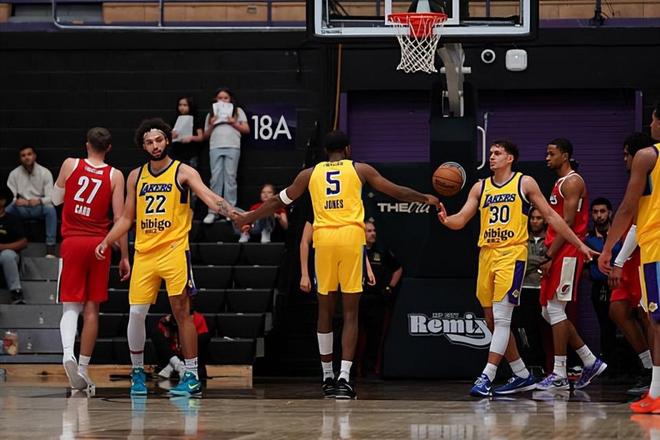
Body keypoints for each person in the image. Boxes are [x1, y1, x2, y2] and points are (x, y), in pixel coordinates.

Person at [237, 129, 438, 399]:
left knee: (325, 311)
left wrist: (248, 217)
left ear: (325, 152)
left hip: (324, 240)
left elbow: (277, 200)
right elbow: (397, 191)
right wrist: (426, 198)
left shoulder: (309, 174)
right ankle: (344, 378)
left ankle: (327, 377)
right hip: (350, 239)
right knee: (351, 313)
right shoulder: (360, 169)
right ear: (348, 150)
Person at [436, 140, 596, 397]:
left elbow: (552, 216)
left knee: (502, 319)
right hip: (486, 254)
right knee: (491, 321)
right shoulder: (480, 186)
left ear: (510, 158)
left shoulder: (524, 182)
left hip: (512, 254)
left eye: (497, 153)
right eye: (490, 153)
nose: (492, 157)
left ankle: (486, 377)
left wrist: (579, 244)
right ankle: (521, 374)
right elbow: (462, 218)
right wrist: (447, 220)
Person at [94, 117, 236, 397]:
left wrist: (234, 214)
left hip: (173, 251)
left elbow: (209, 197)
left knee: (182, 313)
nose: (155, 145)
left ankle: (191, 375)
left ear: (167, 140)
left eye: (159, 140)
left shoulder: (183, 171)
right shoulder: (136, 176)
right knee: (136, 314)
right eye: (149, 142)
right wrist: (107, 240)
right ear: (143, 146)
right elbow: (126, 218)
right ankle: (137, 373)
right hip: (144, 253)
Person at [52, 127, 131, 391]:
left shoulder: (70, 164)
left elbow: (55, 199)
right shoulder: (115, 175)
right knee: (92, 309)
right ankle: (83, 369)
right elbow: (120, 218)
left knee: (70, 305)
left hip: (73, 242)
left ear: (87, 145)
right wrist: (124, 255)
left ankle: (68, 354)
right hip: (100, 245)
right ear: (109, 148)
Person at [599, 104, 660, 413]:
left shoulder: (648, 155)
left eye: (653, 119)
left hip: (656, 246)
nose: (650, 124)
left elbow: (627, 208)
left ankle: (657, 392)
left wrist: (609, 250)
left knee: (656, 320)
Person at [537, 138, 606, 391]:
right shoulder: (560, 182)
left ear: (565, 156)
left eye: (551, 153)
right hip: (559, 250)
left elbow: (566, 223)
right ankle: (589, 360)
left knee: (555, 309)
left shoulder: (573, 182)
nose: (547, 158)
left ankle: (559, 373)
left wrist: (550, 255)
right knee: (548, 311)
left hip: (567, 252)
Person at [607, 132, 655, 396]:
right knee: (617, 310)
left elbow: (635, 223)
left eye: (626, 154)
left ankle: (654, 377)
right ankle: (648, 367)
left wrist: (616, 259)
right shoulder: (639, 173)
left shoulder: (648, 165)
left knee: (649, 315)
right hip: (630, 253)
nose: (624, 159)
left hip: (641, 252)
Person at [358, 220, 402, 376]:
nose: (373, 234)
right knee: (353, 335)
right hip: (357, 299)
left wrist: (390, 287)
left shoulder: (382, 251)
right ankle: (349, 369)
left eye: (374, 230)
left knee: (374, 336)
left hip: (376, 299)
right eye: (369, 231)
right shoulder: (355, 250)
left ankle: (369, 369)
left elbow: (398, 268)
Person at [202, 87, 250, 224]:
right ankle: (213, 211)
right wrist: (212, 124)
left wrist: (233, 122)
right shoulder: (211, 113)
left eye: (225, 98)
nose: (222, 100)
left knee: (230, 178)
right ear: (215, 100)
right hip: (215, 146)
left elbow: (246, 129)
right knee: (215, 179)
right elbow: (205, 135)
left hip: (232, 146)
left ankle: (230, 211)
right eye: (220, 98)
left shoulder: (237, 111)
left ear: (230, 100)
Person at [584, 197, 620, 367]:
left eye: (602, 211)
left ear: (610, 213)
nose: (599, 215)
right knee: (604, 325)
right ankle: (608, 365)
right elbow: (583, 267)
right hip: (599, 288)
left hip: (621, 286)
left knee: (625, 324)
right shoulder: (587, 239)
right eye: (595, 212)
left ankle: (632, 365)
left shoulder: (620, 235)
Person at [6, 146, 57, 257]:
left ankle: (50, 247)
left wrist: (39, 201)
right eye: (23, 155)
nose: (26, 157)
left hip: (38, 207)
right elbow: (10, 197)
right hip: (21, 208)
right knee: (6, 210)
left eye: (29, 154)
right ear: (20, 159)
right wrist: (18, 201)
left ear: (34, 156)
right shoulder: (14, 174)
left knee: (50, 209)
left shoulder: (45, 172)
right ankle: (6, 242)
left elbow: (51, 197)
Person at [513, 207, 547, 371]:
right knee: (527, 328)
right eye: (532, 218)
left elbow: (552, 261)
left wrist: (533, 261)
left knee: (546, 328)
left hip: (544, 288)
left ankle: (549, 365)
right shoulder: (522, 237)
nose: (535, 221)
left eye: (539, 218)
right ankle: (533, 365)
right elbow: (520, 261)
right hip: (525, 288)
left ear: (545, 220)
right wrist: (540, 261)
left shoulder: (550, 239)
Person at [153, 308, 210, 381]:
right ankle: (176, 364)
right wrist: (167, 329)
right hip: (171, 357)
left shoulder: (197, 318)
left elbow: (203, 341)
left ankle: (182, 368)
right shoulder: (166, 320)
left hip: (189, 358)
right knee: (156, 333)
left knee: (203, 337)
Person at [0, 184, 27, 304]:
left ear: (3, 201)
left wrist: (3, 247)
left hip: (9, 255)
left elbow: (23, 243)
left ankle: (16, 292)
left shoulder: (12, 219)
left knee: (7, 255)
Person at [171, 96, 205, 169]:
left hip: (191, 153)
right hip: (177, 152)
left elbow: (201, 137)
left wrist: (191, 138)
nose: (182, 107)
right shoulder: (175, 119)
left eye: (185, 105)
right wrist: (172, 135)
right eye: (180, 105)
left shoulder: (196, 119)